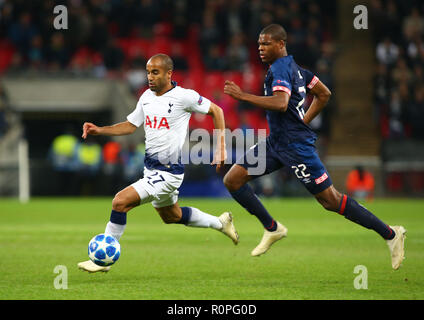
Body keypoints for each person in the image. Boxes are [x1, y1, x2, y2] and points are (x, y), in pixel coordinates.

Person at [223, 24, 406, 270]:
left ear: (280, 44)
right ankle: (273, 228)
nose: (260, 48)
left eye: (266, 43)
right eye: (258, 44)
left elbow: (280, 103)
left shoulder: (280, 69)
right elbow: (324, 93)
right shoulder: (297, 70)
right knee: (233, 179)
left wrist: (243, 96)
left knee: (331, 200)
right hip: (277, 143)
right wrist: (304, 120)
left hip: (296, 146)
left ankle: (391, 234)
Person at [78, 54, 239, 273]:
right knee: (172, 216)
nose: (150, 77)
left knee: (119, 202)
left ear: (169, 73)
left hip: (168, 172)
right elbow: (130, 125)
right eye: (148, 72)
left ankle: (102, 261)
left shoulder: (185, 97)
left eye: (155, 72)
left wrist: (221, 146)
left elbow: (216, 111)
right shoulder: (146, 97)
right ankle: (221, 223)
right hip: (151, 170)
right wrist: (101, 130)